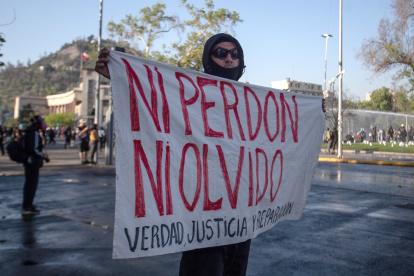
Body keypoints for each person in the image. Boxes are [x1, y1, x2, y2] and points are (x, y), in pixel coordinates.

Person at [22, 115, 49, 215]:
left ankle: (28, 205)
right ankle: (27, 207)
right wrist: (43, 156)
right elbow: (34, 149)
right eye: (42, 122)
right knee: (31, 185)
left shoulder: (30, 132)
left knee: (29, 184)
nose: (43, 124)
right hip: (32, 162)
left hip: (30, 162)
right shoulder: (34, 133)